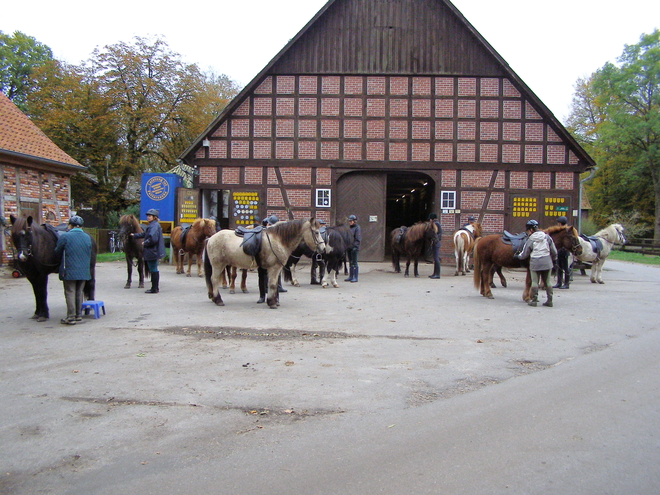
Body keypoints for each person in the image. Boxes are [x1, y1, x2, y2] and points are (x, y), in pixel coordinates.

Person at [54, 215, 92, 325]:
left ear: (70, 225)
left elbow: (57, 251)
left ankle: (71, 316)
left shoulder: (65, 236)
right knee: (79, 292)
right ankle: (78, 315)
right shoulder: (87, 237)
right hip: (84, 270)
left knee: (70, 291)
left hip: (69, 269)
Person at [516, 219, 558, 307]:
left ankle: (534, 301)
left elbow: (525, 253)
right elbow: (553, 251)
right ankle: (550, 301)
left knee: (535, 282)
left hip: (535, 262)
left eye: (528, 230)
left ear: (531, 230)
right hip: (547, 262)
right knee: (548, 282)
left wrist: (518, 256)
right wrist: (553, 259)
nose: (528, 232)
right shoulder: (547, 237)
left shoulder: (531, 239)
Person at [132, 208, 165, 294]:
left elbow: (153, 239)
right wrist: (134, 235)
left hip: (152, 251)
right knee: (153, 269)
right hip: (152, 251)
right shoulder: (152, 225)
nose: (148, 217)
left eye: (150, 216)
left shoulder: (154, 226)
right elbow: (145, 234)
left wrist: (144, 243)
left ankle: (154, 288)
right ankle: (155, 287)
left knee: (153, 269)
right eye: (147, 216)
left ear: (154, 217)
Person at [257, 215, 287, 303]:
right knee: (262, 277)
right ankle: (262, 295)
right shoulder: (262, 234)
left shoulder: (280, 236)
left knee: (275, 278)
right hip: (263, 258)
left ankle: (275, 297)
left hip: (274, 260)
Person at [553, 216, 571, 289]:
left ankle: (567, 283)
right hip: (559, 251)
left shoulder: (567, 231)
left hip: (565, 251)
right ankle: (559, 282)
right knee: (559, 267)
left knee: (566, 268)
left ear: (560, 223)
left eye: (558, 223)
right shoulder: (559, 231)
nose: (557, 224)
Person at [344, 214, 361, 283]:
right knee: (350, 262)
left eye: (351, 221)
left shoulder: (357, 228)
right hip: (349, 247)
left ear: (354, 221)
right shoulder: (349, 228)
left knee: (354, 262)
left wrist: (355, 247)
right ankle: (351, 276)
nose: (350, 222)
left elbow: (358, 239)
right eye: (349, 221)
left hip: (354, 248)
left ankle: (355, 277)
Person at [427, 213, 442, 279]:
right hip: (436, 242)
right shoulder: (437, 223)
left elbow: (437, 234)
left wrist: (434, 239)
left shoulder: (436, 224)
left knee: (436, 258)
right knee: (435, 258)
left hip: (436, 242)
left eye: (430, 219)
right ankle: (435, 273)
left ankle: (437, 274)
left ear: (431, 219)